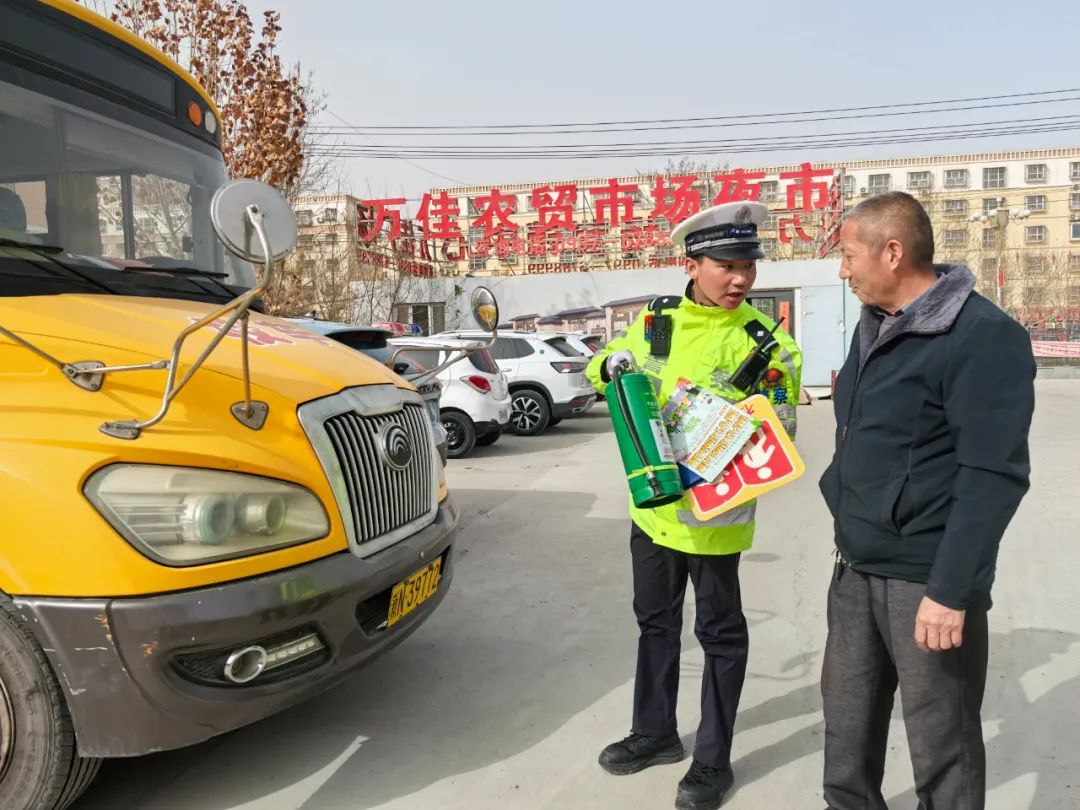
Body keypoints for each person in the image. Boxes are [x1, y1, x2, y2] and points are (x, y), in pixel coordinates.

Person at [818, 191, 1035, 810]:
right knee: (846, 729)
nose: (842, 269)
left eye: (849, 255)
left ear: (892, 252)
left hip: (926, 579)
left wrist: (951, 591)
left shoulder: (979, 335)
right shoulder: (875, 324)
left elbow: (993, 474)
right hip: (856, 565)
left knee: (942, 745)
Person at [587, 201, 802, 810]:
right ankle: (655, 732)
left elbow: (779, 430)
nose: (741, 279)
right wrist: (612, 364)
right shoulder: (656, 323)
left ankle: (713, 760)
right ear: (692, 264)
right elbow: (604, 369)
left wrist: (745, 422)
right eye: (727, 266)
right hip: (653, 508)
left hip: (713, 516)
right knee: (655, 623)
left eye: (749, 267)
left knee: (719, 635)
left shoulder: (768, 344)